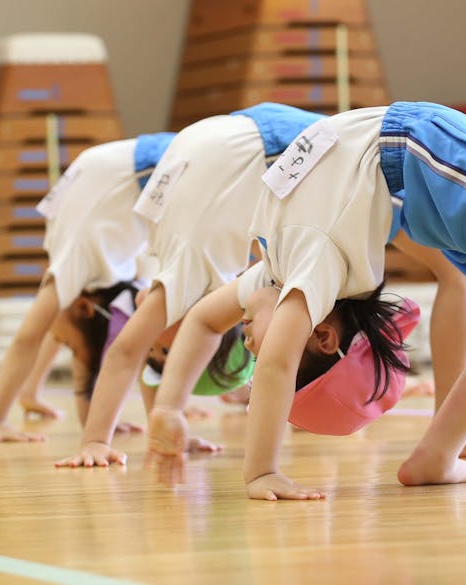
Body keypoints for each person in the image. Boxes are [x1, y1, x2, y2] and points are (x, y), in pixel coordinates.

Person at [154, 101, 466, 499]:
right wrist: (262, 471)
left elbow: (204, 319)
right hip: (421, 152)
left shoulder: (280, 270)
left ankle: (441, 453)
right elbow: (277, 363)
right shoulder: (313, 267)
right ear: (321, 335)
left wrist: (167, 406)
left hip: (416, 184)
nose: (252, 351)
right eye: (268, 356)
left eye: (251, 356)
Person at [55, 103, 325, 468]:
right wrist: (98, 439)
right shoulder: (198, 279)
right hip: (245, 141)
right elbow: (124, 355)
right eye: (165, 352)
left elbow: (139, 368)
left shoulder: (196, 268)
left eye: (153, 354)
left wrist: (155, 422)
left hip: (211, 142)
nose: (151, 345)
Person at [0, 134, 176, 443]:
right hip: (119, 172)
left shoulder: (131, 271)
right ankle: (27, 392)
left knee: (65, 322)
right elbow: (25, 340)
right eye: (71, 351)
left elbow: (115, 352)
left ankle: (31, 391)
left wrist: (111, 424)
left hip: (130, 174)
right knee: (55, 319)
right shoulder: (80, 259)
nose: (64, 345)